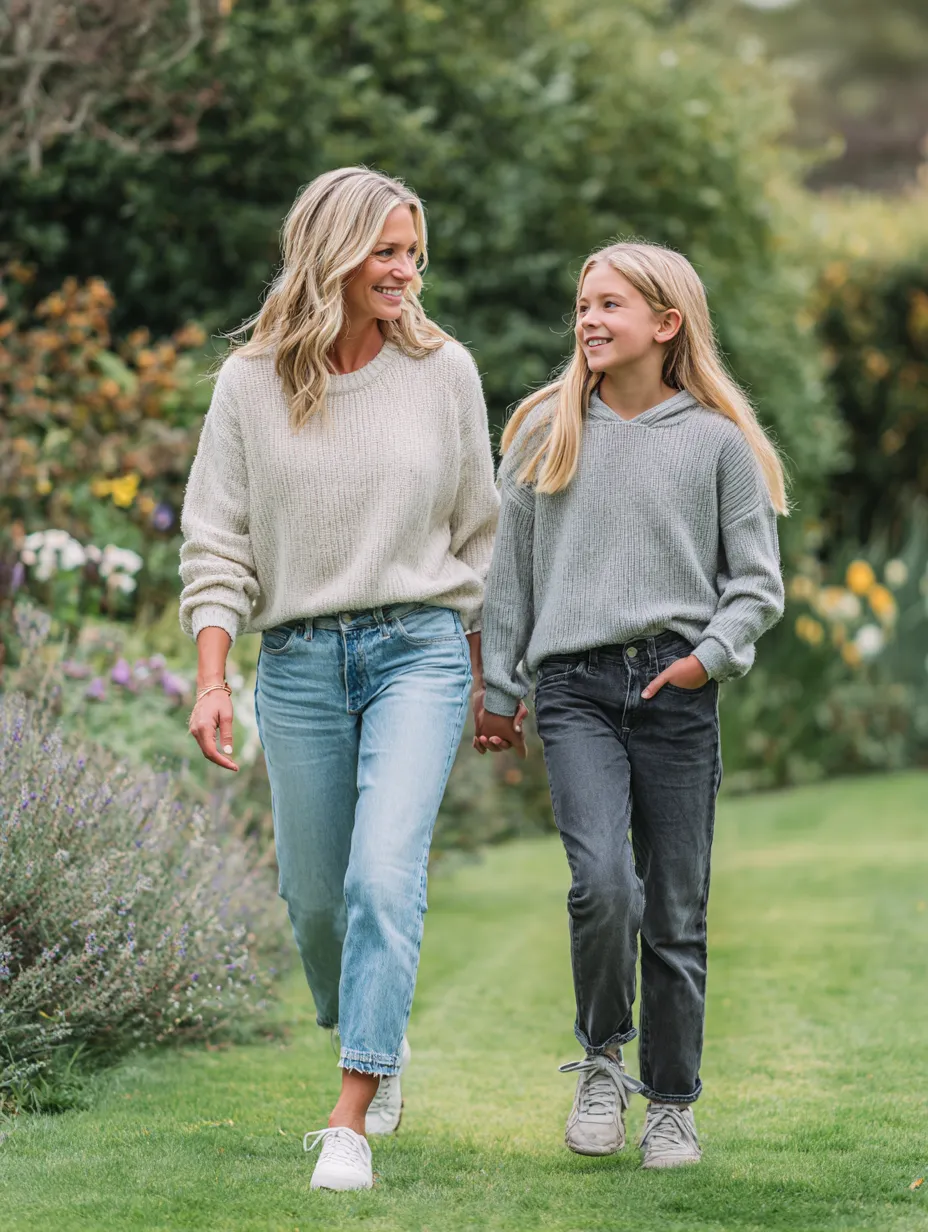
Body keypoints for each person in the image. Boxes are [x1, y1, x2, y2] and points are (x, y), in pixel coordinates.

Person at [179, 167, 501, 1192]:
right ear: (332, 255)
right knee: (316, 900)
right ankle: (371, 1026)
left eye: (414, 252)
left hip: (418, 651)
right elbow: (216, 541)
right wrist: (212, 678)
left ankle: (351, 1112)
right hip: (300, 663)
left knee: (381, 877)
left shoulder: (445, 372)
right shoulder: (249, 384)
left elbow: (480, 534)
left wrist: (491, 680)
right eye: (386, 252)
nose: (406, 271)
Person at [476, 241, 786, 1168]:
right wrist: (500, 691)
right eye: (584, 305)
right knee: (604, 887)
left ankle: (673, 1105)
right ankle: (603, 1062)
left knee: (677, 911)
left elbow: (756, 585)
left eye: (610, 304)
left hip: (674, 691)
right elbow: (508, 578)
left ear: (666, 322)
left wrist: (705, 661)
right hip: (574, 691)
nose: (589, 319)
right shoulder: (547, 432)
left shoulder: (717, 443)